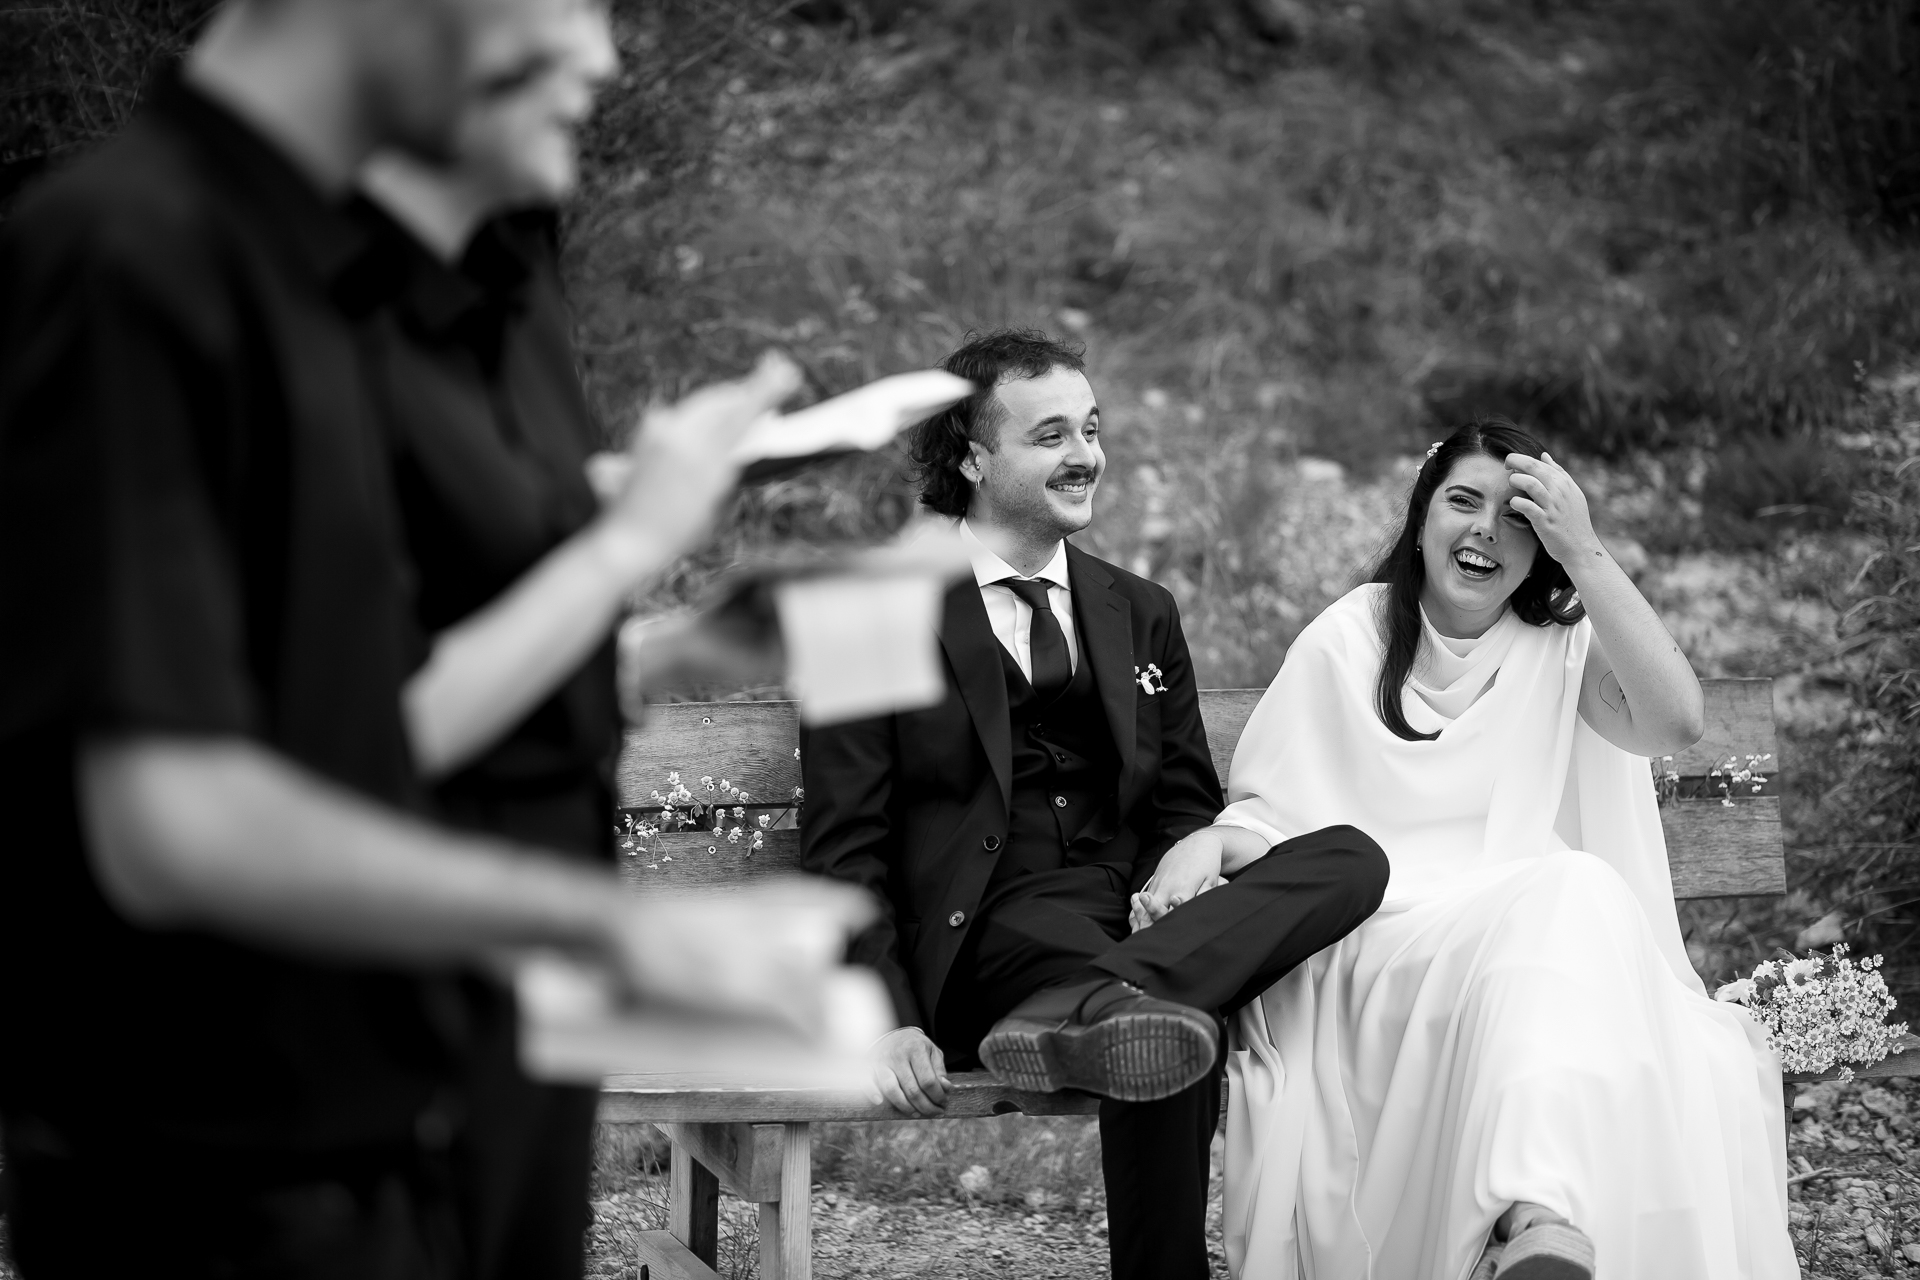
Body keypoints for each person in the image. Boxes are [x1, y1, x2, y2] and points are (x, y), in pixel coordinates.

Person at [0, 1, 865, 1275]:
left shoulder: (312, 264)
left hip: (410, 1129)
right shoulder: (125, 252)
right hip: (234, 1183)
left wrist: (650, 651)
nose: (600, 54)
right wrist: (614, 926)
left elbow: (349, 716)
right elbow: (177, 825)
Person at [799, 328, 1390, 1280]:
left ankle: (1101, 1002)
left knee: (1352, 857)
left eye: (1092, 428)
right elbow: (844, 849)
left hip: (1130, 916)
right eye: (1051, 436)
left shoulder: (1140, 608)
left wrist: (1192, 859)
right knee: (1169, 1020)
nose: (1086, 456)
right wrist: (887, 1014)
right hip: (986, 935)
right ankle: (1111, 1007)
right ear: (971, 458)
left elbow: (1185, 800)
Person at [353, 5, 793, 1274]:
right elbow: (338, 719)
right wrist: (631, 537)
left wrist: (667, 658)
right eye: (565, 13)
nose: (605, 60)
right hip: (358, 997)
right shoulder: (204, 278)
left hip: (531, 988)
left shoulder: (516, 263)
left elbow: (475, 598)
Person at [1191, 419, 1798, 1279]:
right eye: (1463, 502)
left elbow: (1677, 723)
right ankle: (1532, 1225)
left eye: (1516, 517)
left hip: (1524, 944)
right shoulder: (1349, 637)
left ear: (1541, 545)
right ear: (1421, 519)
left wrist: (1587, 553)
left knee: (1571, 893)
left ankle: (1536, 1219)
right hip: (1380, 947)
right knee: (1567, 894)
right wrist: (1209, 845)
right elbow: (1272, 813)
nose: (1485, 531)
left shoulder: (1558, 646)